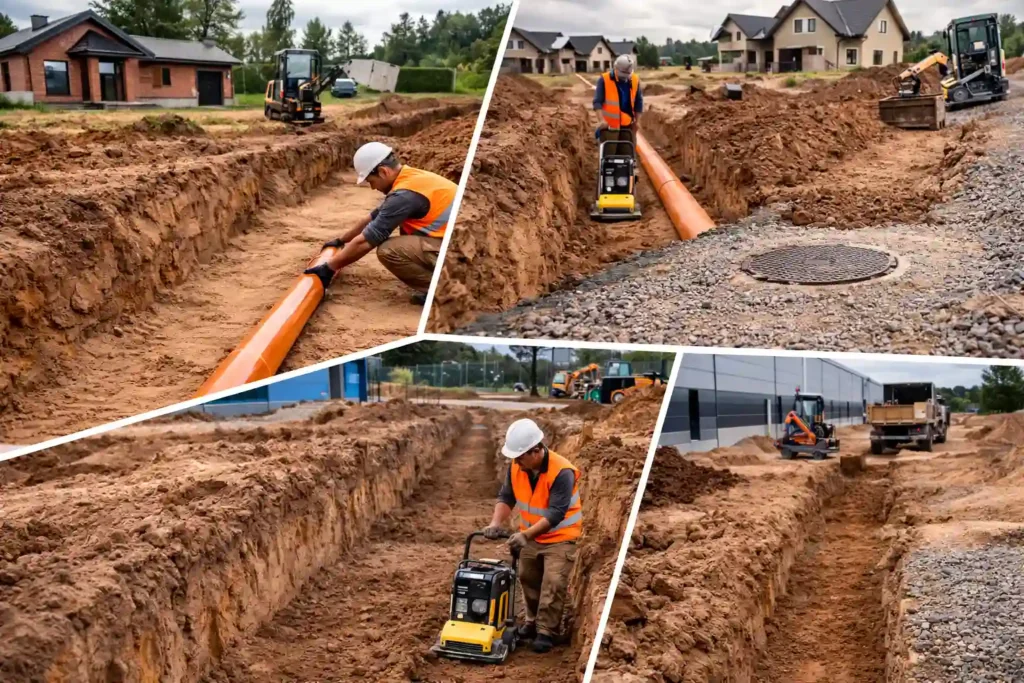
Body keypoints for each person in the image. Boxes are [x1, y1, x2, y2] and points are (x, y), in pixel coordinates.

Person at [304, 142, 456, 305]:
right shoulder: (410, 179)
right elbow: (373, 217)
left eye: (371, 181)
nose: (372, 187)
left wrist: (328, 269)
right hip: (452, 245)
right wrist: (341, 240)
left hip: (456, 253)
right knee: (404, 237)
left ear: (383, 171)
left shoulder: (404, 195)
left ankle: (445, 290)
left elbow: (366, 241)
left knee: (389, 250)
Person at [484, 418, 582, 654]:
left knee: (553, 582)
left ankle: (547, 631)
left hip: (561, 537)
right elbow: (507, 496)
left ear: (536, 451)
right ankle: (531, 621)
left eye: (520, 456)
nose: (516, 461)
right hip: (531, 536)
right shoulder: (518, 467)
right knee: (527, 576)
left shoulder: (562, 472)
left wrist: (525, 535)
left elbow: (556, 513)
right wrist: (495, 523)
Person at [593, 54, 643, 157]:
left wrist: (637, 122)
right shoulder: (604, 80)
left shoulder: (635, 80)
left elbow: (639, 102)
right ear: (615, 68)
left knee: (628, 156)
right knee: (609, 157)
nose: (624, 78)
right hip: (609, 126)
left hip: (627, 125)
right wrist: (601, 120)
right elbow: (597, 102)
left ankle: (627, 173)